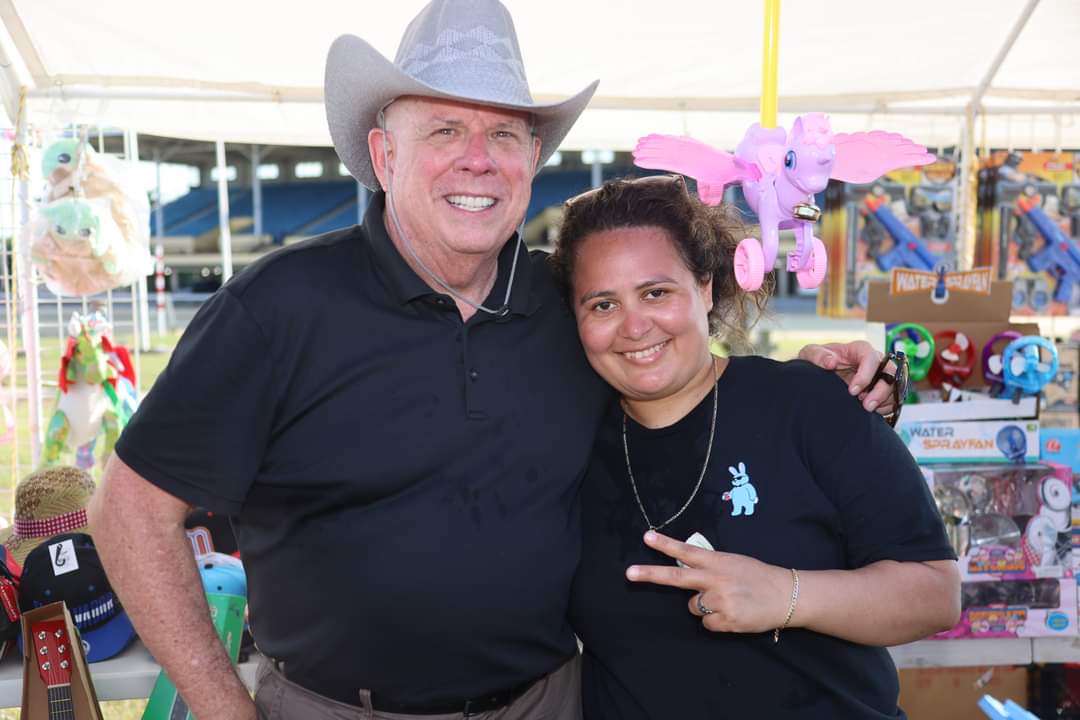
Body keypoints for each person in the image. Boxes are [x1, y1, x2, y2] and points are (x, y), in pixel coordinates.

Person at [87, 2, 897, 719]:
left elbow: (678, 375)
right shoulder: (277, 306)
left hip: (549, 701)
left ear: (532, 159)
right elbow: (130, 512)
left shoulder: (573, 303)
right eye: (443, 129)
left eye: (504, 133)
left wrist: (824, 380)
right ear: (383, 155)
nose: (477, 158)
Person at [553, 176, 960, 720]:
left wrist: (788, 595)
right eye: (602, 305)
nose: (634, 326)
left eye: (656, 292)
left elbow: (935, 593)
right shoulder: (566, 442)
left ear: (705, 287)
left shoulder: (808, 402)